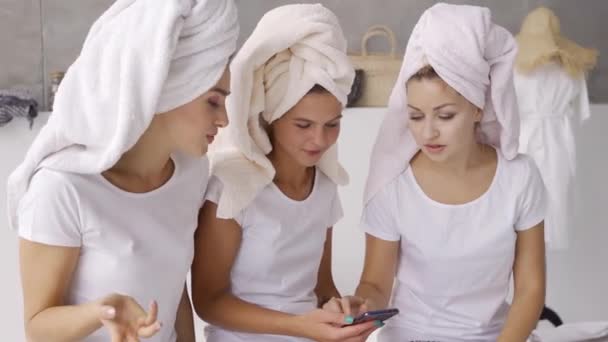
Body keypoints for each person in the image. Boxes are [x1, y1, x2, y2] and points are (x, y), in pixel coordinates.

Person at [7, 0, 238, 341]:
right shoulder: (62, 188)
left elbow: (176, 294)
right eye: (213, 101)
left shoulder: (192, 173)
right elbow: (37, 327)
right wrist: (102, 311)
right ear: (166, 90)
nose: (224, 120)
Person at [326, 3, 547, 342]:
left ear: (477, 108)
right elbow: (376, 284)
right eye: (415, 116)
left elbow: (530, 289)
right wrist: (361, 307)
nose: (427, 133)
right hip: (412, 336)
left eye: (444, 116)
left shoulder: (519, 178)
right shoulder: (394, 184)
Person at [191, 4, 378, 342]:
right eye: (303, 125)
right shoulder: (232, 185)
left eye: (332, 125)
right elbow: (208, 301)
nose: (319, 139)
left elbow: (321, 288)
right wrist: (297, 325)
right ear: (273, 117)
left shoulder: (324, 186)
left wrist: (342, 313)